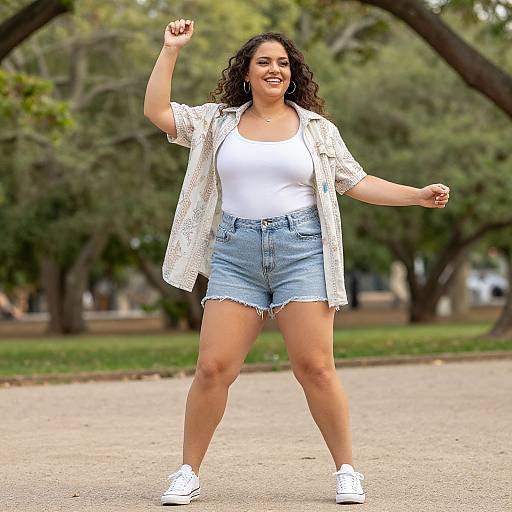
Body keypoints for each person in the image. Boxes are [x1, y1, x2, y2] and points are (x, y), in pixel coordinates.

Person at [144, 18, 450, 507]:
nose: (274, 69)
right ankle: (187, 472)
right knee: (212, 368)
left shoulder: (317, 130)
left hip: (302, 249)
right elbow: (157, 110)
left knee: (315, 367)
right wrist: (170, 49)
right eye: (263, 61)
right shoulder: (217, 122)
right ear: (246, 72)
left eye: (283, 63)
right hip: (235, 252)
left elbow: (358, 181)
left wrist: (416, 195)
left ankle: (347, 471)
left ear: (293, 74)